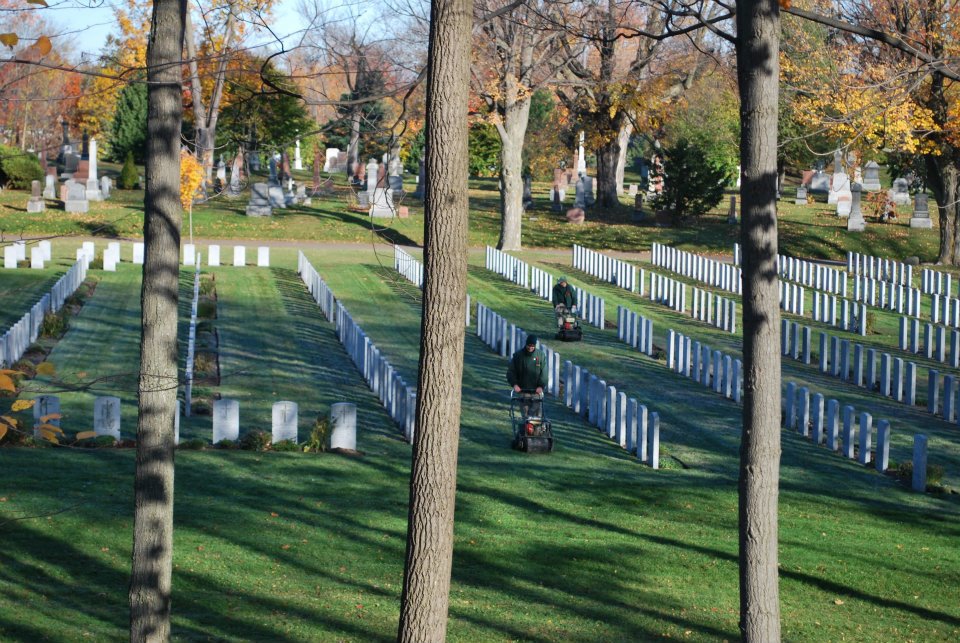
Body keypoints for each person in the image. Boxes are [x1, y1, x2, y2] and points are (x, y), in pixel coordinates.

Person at [506, 334, 546, 417]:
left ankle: (538, 429)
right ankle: (526, 429)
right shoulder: (518, 356)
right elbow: (511, 372)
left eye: (533, 346)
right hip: (523, 391)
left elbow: (544, 372)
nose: (530, 347)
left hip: (536, 392)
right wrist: (515, 384)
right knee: (526, 415)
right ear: (526, 344)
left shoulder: (541, 355)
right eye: (529, 345)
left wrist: (541, 386)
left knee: (538, 416)